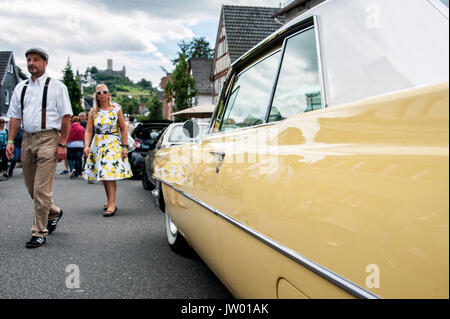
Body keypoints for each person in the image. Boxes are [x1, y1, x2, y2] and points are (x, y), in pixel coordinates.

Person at [6, 48, 72, 248]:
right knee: (31, 188)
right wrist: (10, 141)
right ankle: (54, 212)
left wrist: (62, 143)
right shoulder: (20, 87)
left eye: (35, 60)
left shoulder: (57, 87)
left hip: (49, 139)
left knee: (42, 189)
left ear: (45, 63)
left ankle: (39, 232)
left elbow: (66, 117)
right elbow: (15, 117)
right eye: (28, 60)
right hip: (27, 139)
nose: (31, 63)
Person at [83, 84, 132, 216]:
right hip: (98, 144)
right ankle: (109, 200)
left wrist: (124, 146)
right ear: (96, 96)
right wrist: (87, 145)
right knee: (103, 173)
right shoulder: (93, 111)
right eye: (99, 93)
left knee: (109, 173)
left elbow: (123, 129)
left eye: (104, 92)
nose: (102, 94)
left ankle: (112, 203)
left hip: (112, 143)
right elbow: (88, 131)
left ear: (109, 94)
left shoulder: (116, 109)